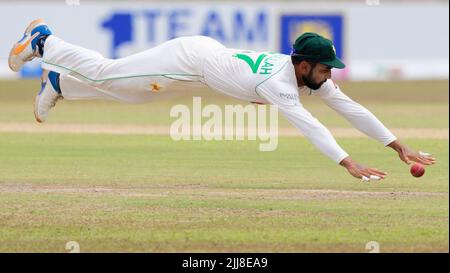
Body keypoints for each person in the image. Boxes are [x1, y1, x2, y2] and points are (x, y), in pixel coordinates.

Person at [8, 19, 436, 180]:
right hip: (189, 60)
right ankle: (45, 43)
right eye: (325, 69)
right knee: (110, 74)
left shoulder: (308, 78)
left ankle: (61, 85)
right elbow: (312, 125)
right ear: (304, 64)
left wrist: (395, 146)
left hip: (205, 72)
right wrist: (347, 161)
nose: (329, 77)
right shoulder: (281, 86)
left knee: (131, 97)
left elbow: (350, 108)